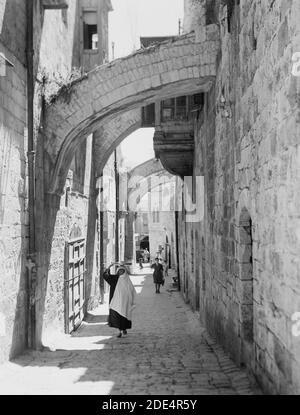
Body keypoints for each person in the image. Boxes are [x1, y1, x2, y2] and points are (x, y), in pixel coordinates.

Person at [103, 263, 137, 338]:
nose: (120, 272)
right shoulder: (115, 279)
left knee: (123, 317)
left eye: (122, 271)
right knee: (117, 317)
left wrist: (130, 301)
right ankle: (119, 331)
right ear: (117, 272)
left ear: (124, 272)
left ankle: (123, 329)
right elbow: (105, 276)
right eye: (119, 271)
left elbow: (132, 291)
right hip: (116, 303)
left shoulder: (127, 281)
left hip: (125, 303)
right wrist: (109, 267)